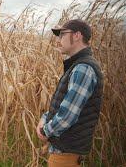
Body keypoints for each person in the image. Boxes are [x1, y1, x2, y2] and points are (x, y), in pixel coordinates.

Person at [36, 19, 104, 167]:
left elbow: (67, 116)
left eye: (62, 35)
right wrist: (45, 117)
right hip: (64, 149)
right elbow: (63, 104)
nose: (59, 40)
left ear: (77, 35)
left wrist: (45, 130)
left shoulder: (83, 68)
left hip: (66, 153)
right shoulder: (77, 66)